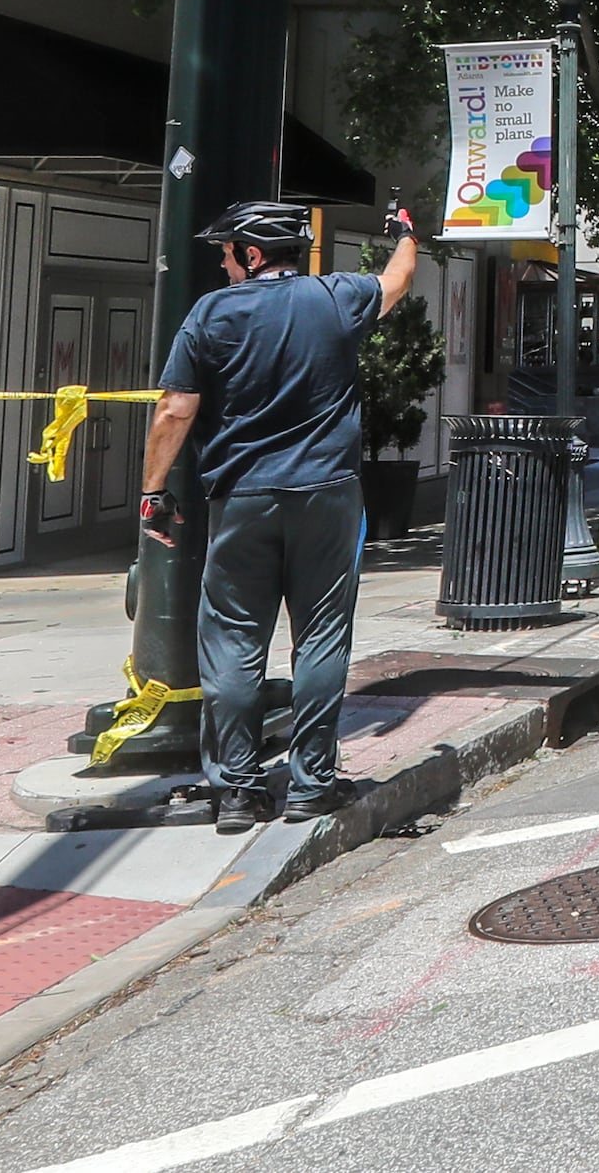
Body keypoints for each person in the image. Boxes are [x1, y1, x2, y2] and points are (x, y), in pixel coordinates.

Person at [140, 196, 418, 837]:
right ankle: (311, 785)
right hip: (329, 494)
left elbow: (175, 411)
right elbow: (398, 279)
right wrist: (405, 232)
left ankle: (237, 792)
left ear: (255, 253)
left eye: (227, 252)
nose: (223, 264)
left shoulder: (210, 314)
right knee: (321, 635)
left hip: (242, 499)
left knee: (234, 641)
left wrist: (154, 491)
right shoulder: (336, 298)